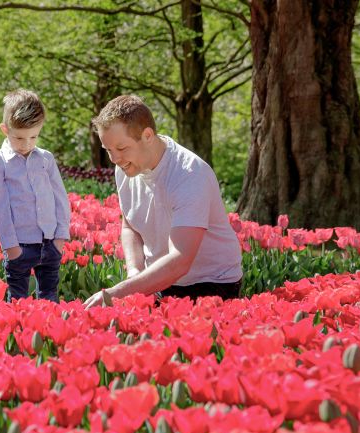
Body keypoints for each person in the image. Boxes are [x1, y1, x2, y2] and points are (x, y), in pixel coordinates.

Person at [83, 95, 242, 308]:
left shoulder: (189, 174)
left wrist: (118, 292)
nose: (114, 159)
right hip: (160, 280)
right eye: (108, 150)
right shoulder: (125, 168)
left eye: (121, 148)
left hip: (211, 283)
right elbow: (130, 225)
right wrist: (134, 273)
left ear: (147, 135)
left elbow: (180, 260)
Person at [0, 89, 71, 302]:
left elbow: (60, 198)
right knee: (18, 302)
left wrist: (60, 237)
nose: (26, 144)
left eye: (33, 136)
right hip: (19, 246)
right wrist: (11, 247)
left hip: (50, 242)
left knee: (50, 300)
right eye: (19, 137)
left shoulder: (46, 159)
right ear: (5, 129)